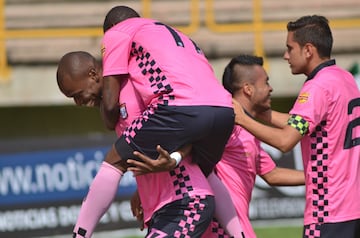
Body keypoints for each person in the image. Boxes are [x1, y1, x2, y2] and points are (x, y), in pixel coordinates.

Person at [101, 5, 244, 237]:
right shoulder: (176, 43)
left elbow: (110, 111)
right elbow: (183, 138)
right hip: (218, 115)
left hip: (186, 197)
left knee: (113, 160)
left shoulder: (123, 43)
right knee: (206, 169)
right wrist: (149, 183)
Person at [131, 54, 305, 238]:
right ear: (248, 89)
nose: (270, 88)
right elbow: (187, 143)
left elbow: (272, 174)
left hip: (234, 225)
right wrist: (145, 188)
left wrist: (318, 177)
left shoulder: (246, 128)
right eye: (266, 82)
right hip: (220, 226)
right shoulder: (228, 121)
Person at [56, 51, 221, 238]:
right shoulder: (116, 104)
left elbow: (186, 132)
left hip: (186, 202)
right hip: (165, 210)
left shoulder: (133, 90)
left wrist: (176, 159)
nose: (78, 103)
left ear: (93, 74)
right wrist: (143, 189)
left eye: (78, 94)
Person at [233, 15, 360, 237]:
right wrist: (262, 112)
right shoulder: (344, 78)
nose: (286, 55)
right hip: (353, 205)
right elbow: (303, 123)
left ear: (308, 50)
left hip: (328, 209)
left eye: (290, 48)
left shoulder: (317, 87)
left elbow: (285, 141)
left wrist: (242, 118)